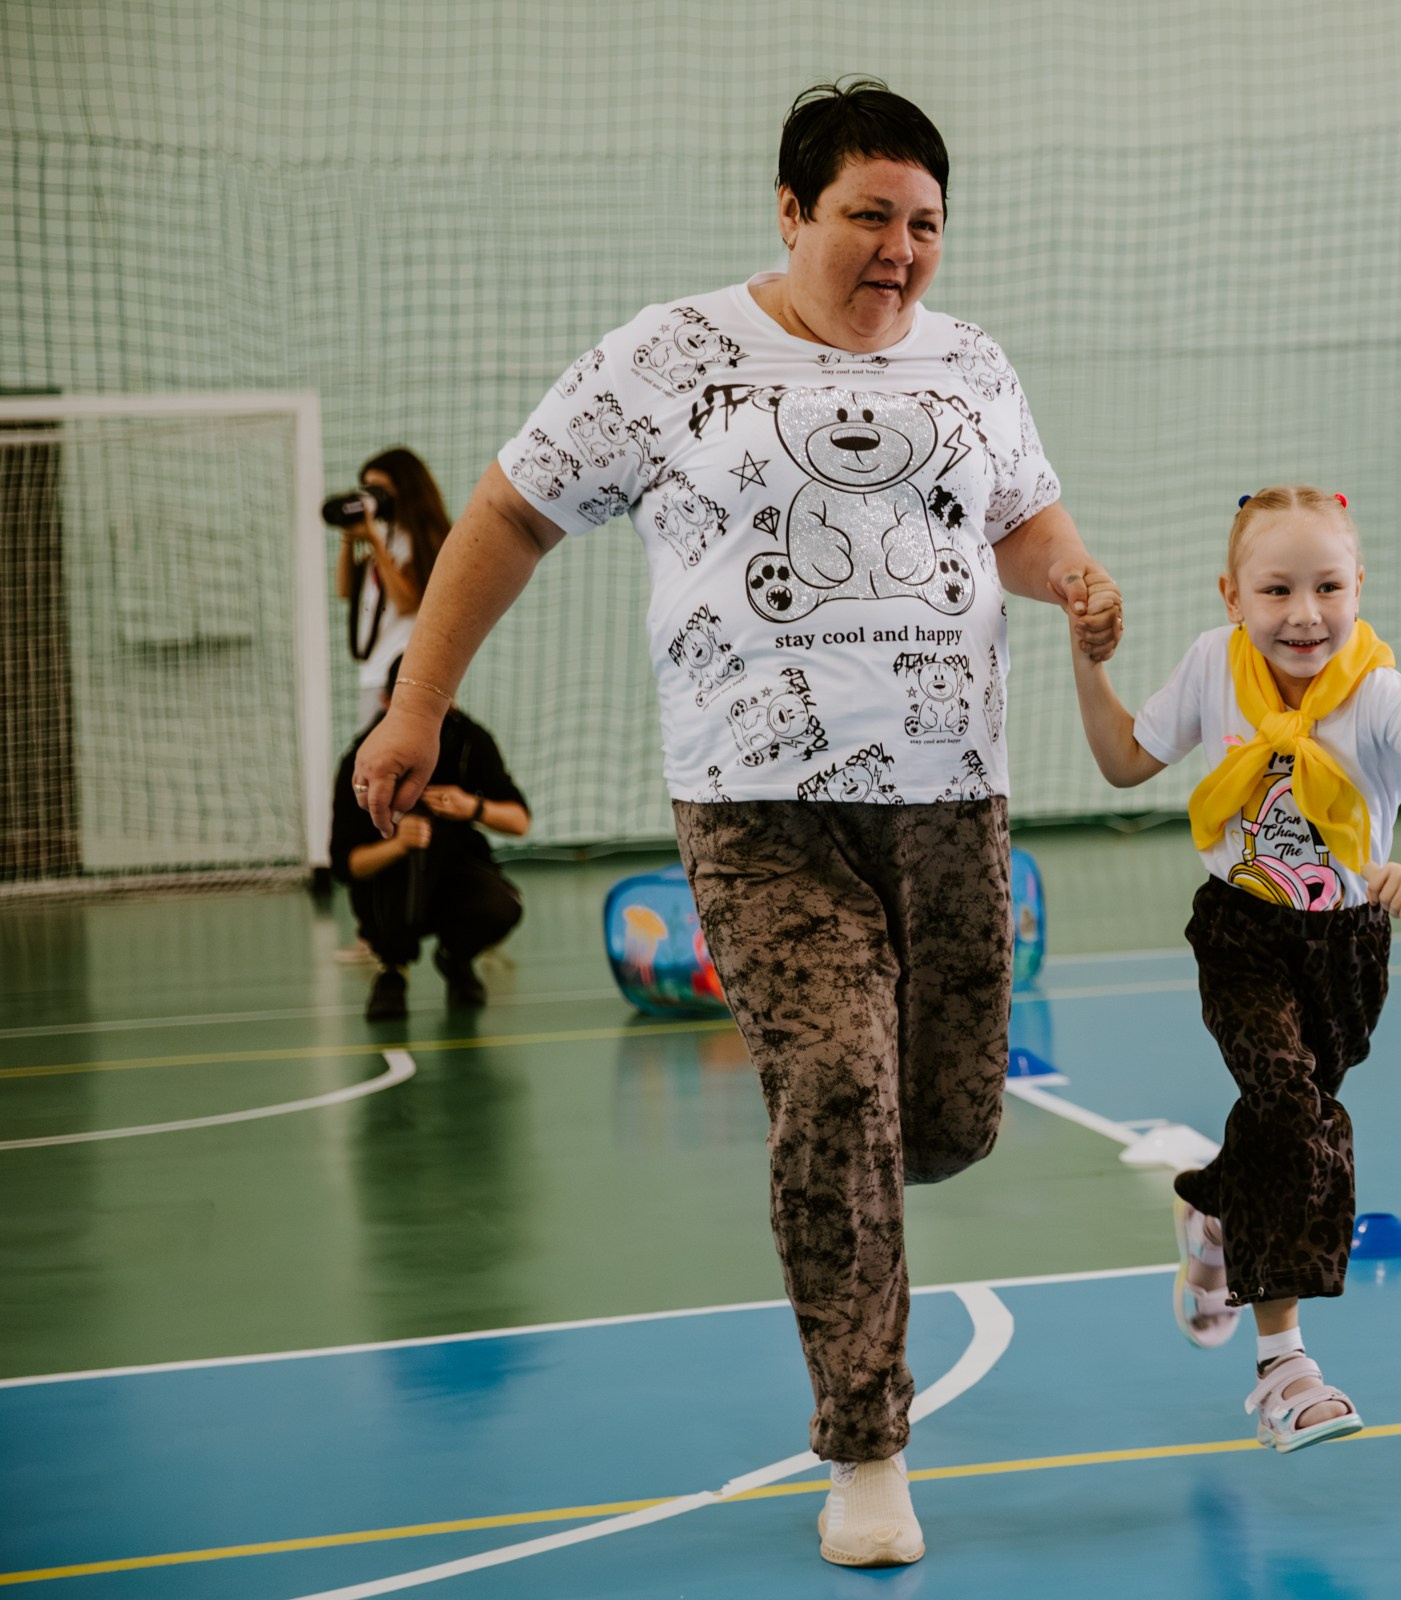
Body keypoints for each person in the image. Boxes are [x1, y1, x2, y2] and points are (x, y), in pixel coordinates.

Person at [350, 79, 1121, 1569]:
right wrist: (418, 705)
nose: (899, 250)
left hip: (953, 802)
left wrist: (1076, 578)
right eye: (867, 218)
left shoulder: (972, 364)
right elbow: (506, 514)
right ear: (789, 211)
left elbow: (1025, 521)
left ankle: (858, 1199)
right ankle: (868, 1448)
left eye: (925, 224)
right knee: (836, 1088)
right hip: (761, 809)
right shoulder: (673, 355)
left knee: (946, 1121)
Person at [1067, 485, 1401, 1452]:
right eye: (1276, 590)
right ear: (1232, 594)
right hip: (1242, 931)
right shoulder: (1211, 670)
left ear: (1361, 586)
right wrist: (1086, 662)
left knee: (1288, 1118)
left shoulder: (1385, 698)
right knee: (1288, 1103)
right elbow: (1121, 764)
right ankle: (1287, 1369)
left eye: (1327, 587)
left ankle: (1215, 1213)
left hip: (1349, 950)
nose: (1304, 613)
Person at [332, 660, 529, 1022]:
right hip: (391, 889)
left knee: (504, 905)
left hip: (456, 874)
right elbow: (346, 865)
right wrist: (398, 843)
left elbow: (520, 821)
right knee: (415, 854)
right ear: (387, 701)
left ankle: (456, 958)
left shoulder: (470, 741)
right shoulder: (362, 760)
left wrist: (472, 806)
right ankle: (391, 970)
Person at [337, 447, 451, 727]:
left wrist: (374, 541)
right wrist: (350, 538)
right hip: (373, 672)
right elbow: (344, 590)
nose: (371, 496)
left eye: (380, 489)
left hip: (405, 675)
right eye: (367, 487)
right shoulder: (384, 536)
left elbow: (406, 600)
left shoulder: (420, 540)